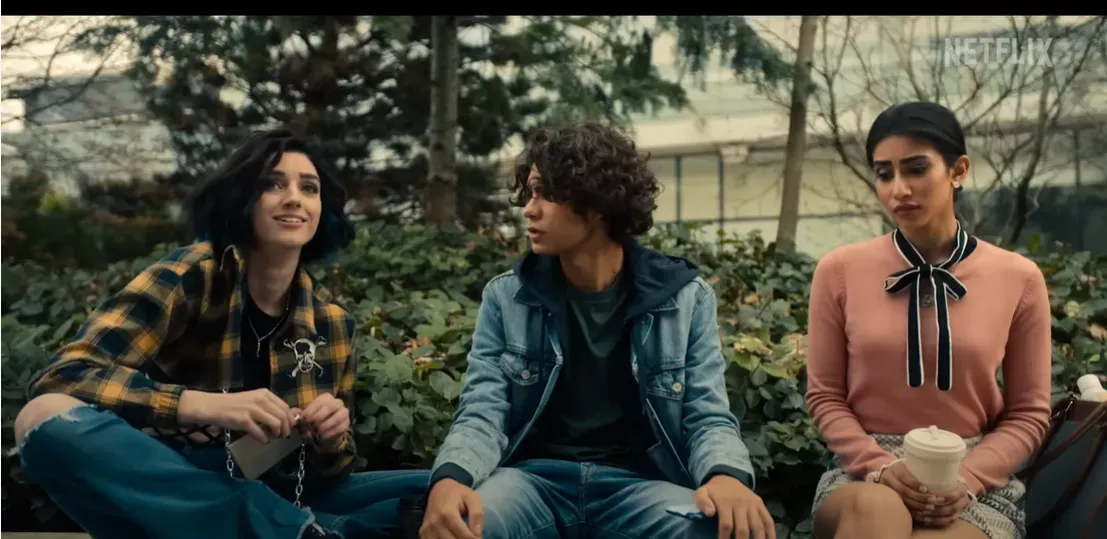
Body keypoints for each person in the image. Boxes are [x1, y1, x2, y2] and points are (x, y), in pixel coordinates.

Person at [13, 127, 430, 539]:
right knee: (42, 417)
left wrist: (331, 438)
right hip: (181, 484)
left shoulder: (331, 322)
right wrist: (201, 405)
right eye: (272, 184)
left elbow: (331, 474)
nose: (294, 198)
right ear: (242, 199)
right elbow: (65, 375)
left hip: (282, 494)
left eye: (309, 188)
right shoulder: (191, 276)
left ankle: (305, 531)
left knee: (445, 488)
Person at [418, 122, 774, 539]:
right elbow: (483, 410)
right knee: (463, 526)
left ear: (597, 202)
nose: (529, 210)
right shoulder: (507, 296)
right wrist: (450, 477)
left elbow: (706, 415)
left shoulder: (684, 298)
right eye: (529, 194)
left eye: (545, 194)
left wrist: (727, 476)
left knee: (719, 530)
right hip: (531, 483)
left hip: (638, 487)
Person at [805, 102, 1052, 539]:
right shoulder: (839, 271)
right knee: (877, 510)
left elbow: (1028, 414)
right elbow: (825, 396)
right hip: (863, 471)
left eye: (916, 169)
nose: (898, 189)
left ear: (958, 170)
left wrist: (967, 478)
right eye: (884, 174)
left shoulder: (1019, 278)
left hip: (973, 479)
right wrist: (880, 466)